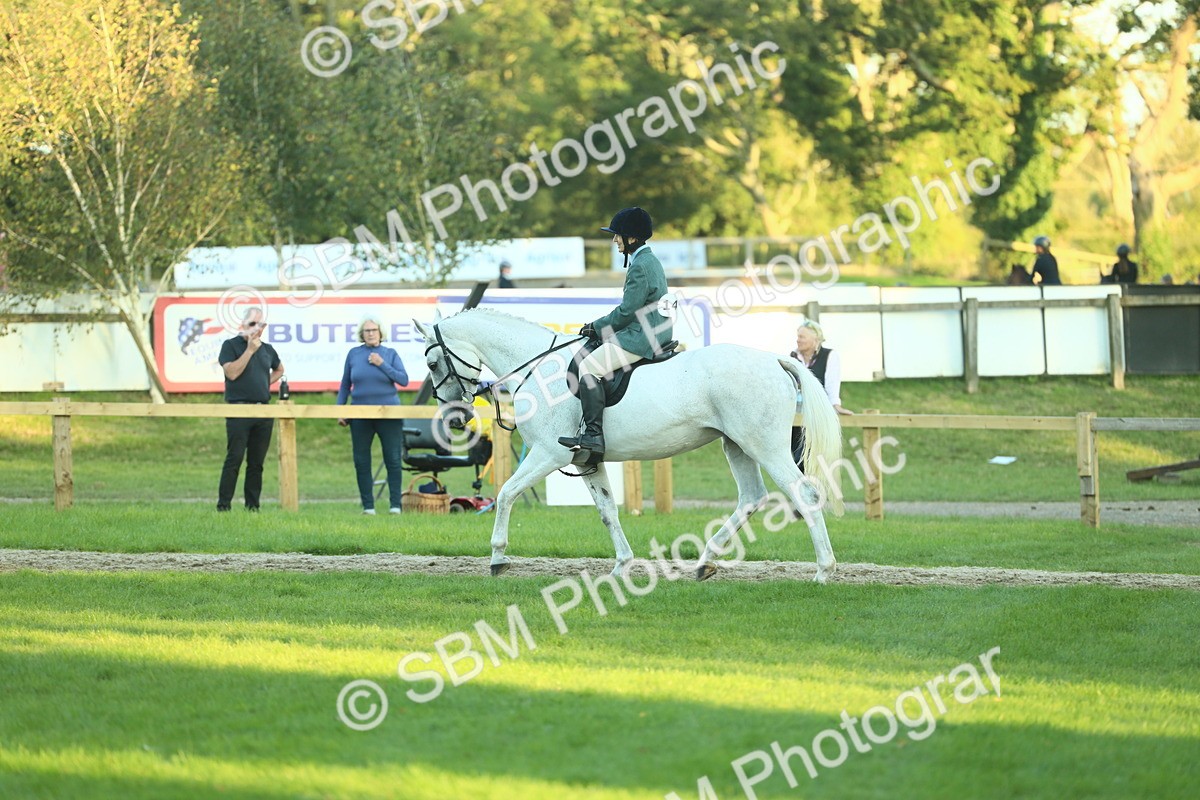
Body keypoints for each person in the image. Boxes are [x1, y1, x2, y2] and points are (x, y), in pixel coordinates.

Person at [558, 206, 671, 460]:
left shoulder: (640, 266)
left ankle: (593, 435)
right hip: (654, 330)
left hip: (641, 336)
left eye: (617, 235)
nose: (614, 240)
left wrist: (595, 327)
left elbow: (626, 312)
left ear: (631, 237)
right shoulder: (648, 259)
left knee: (588, 368)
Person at [337, 316, 409, 515]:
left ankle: (395, 506)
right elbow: (345, 385)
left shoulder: (390, 353)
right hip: (359, 413)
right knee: (361, 460)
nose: (370, 333)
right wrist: (340, 409)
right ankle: (368, 507)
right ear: (362, 334)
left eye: (374, 330)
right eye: (367, 331)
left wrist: (381, 364)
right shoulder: (353, 354)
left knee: (393, 459)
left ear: (380, 333)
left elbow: (403, 380)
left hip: (389, 413)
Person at [217, 307, 284, 511]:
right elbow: (232, 373)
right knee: (234, 459)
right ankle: (224, 506)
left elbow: (280, 369)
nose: (257, 328)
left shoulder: (268, 349)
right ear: (242, 325)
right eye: (252, 324)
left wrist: (264, 384)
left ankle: (252, 507)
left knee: (256, 463)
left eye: (260, 324)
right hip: (239, 410)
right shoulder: (231, 345)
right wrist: (249, 350)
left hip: (263, 411)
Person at [789, 319, 852, 465]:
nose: (798, 340)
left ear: (815, 339)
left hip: (816, 416)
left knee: (807, 459)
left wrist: (835, 405)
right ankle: (803, 486)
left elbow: (832, 384)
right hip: (794, 415)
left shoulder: (829, 356)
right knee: (796, 459)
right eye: (798, 336)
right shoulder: (792, 357)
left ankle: (808, 486)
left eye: (802, 337)